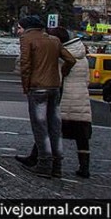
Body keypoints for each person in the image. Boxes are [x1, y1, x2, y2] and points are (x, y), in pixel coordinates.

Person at [17, 27, 92, 178]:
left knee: (48, 129)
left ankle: (44, 163)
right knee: (82, 137)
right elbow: (87, 80)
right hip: (81, 100)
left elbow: (54, 75)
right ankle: (83, 168)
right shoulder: (83, 57)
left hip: (62, 98)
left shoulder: (58, 55)